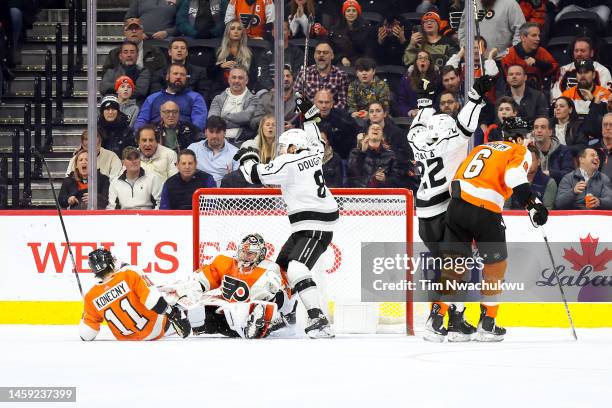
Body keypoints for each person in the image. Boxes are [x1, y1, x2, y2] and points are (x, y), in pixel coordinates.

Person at [234, 98, 338, 338]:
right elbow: (314, 132)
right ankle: (289, 314)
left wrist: (248, 153)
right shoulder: (315, 151)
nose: (279, 151)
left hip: (315, 224)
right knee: (281, 268)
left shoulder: (288, 162)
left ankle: (319, 320)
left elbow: (253, 175)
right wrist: (309, 113)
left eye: (283, 147)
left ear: (292, 148)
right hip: (312, 222)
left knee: (297, 267)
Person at [407, 69, 496, 343]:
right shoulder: (452, 142)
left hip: (423, 215)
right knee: (457, 266)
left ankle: (456, 320)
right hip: (446, 211)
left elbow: (417, 126)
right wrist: (475, 97)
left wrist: (424, 100)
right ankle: (438, 319)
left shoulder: (416, 140)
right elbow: (466, 126)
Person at [443, 116, 549, 342]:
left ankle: (454, 322)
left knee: (456, 264)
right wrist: (532, 204)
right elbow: (513, 176)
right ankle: (487, 323)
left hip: (456, 205)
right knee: (495, 266)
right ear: (520, 137)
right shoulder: (520, 151)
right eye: (526, 135)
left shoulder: (482, 147)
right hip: (485, 210)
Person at [160, 233, 296, 338]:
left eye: (250, 254)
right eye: (243, 252)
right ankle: (176, 320)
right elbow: (202, 280)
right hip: (229, 314)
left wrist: (255, 306)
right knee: (203, 311)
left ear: (261, 255)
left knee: (265, 305)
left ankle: (258, 324)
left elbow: (278, 297)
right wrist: (190, 292)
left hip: (258, 312)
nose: (245, 257)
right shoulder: (226, 261)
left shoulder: (269, 268)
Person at [79, 248, 191, 341]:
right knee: (179, 292)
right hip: (155, 330)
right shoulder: (129, 272)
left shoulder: (91, 296)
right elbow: (154, 302)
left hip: (127, 340)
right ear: (111, 262)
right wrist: (174, 314)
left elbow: (86, 335)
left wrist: (85, 315)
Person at [135, 63, 208, 131]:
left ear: (186, 79)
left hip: (184, 138)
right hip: (155, 138)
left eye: (182, 74)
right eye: (175, 74)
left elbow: (199, 124)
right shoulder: (152, 98)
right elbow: (141, 121)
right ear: (167, 77)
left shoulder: (196, 98)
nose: (178, 77)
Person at [208, 65, 264, 145]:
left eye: (240, 78)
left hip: (242, 143)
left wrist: (224, 116)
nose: (237, 81)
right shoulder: (218, 99)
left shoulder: (254, 100)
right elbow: (213, 122)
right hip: (219, 142)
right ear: (229, 80)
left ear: (246, 80)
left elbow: (246, 117)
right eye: (234, 77)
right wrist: (242, 123)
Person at [458, 0, 526, 58]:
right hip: (475, 60)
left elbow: (521, 30)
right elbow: (463, 30)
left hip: (501, 59)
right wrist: (465, 49)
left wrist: (512, 53)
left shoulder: (510, 4)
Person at [501, 22, 558, 90]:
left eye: (539, 35)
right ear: (523, 38)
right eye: (534, 35)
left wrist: (537, 63)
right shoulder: (509, 54)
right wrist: (524, 64)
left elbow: (555, 68)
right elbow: (508, 78)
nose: (538, 39)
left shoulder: (541, 51)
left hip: (538, 92)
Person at [102, 18, 167, 78]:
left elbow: (162, 73)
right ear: (125, 32)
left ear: (142, 31)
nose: (134, 31)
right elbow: (106, 76)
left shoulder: (155, 51)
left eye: (137, 28)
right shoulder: (114, 54)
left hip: (149, 88)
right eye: (130, 29)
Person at [293, 40, 350, 110]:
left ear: (332, 56)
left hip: (333, 116)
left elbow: (342, 103)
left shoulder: (341, 75)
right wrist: (312, 112)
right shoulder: (304, 73)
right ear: (314, 55)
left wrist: (325, 111)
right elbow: (296, 97)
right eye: (318, 52)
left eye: (325, 53)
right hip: (308, 116)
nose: (321, 55)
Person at [188, 115, 239, 186]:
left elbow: (238, 181)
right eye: (211, 132)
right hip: (197, 191)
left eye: (218, 132)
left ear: (224, 133)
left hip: (222, 193)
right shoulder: (193, 148)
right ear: (205, 132)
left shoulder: (236, 153)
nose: (214, 136)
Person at [347, 124, 401, 188]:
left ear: (382, 137)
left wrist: (385, 179)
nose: (375, 129)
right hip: (360, 192)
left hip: (381, 193)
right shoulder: (356, 152)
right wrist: (362, 152)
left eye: (378, 129)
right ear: (367, 135)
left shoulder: (391, 155)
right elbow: (352, 172)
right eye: (372, 128)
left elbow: (397, 179)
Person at [505, 144, 557, 210]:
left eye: (531, 160)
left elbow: (547, 210)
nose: (527, 163)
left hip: (536, 218)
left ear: (538, 162)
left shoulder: (549, 183)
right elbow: (505, 208)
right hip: (514, 218)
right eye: (524, 160)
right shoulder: (511, 179)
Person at [314, 88, 360, 162]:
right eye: (320, 102)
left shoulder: (343, 117)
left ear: (332, 104)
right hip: (317, 160)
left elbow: (358, 131)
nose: (324, 106)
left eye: (327, 102)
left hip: (343, 158)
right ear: (315, 104)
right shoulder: (308, 120)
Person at [328, 0, 376, 67]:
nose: (351, 13)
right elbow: (331, 48)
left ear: (358, 13)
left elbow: (369, 49)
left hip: (363, 65)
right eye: (348, 11)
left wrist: (362, 63)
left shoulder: (367, 28)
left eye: (354, 11)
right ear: (344, 13)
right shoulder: (335, 29)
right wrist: (341, 58)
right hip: (340, 64)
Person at [395, 50, 440, 118]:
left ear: (430, 63)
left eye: (426, 58)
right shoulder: (407, 79)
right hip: (412, 117)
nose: (423, 60)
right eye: (420, 58)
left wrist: (430, 112)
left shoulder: (437, 79)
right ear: (416, 62)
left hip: (432, 116)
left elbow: (439, 99)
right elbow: (401, 101)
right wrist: (410, 112)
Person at [532, 116, 574, 186]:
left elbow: (569, 174)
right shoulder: (528, 150)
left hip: (558, 190)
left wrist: (550, 173)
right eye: (536, 127)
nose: (539, 130)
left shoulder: (564, 151)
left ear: (550, 132)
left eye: (543, 127)